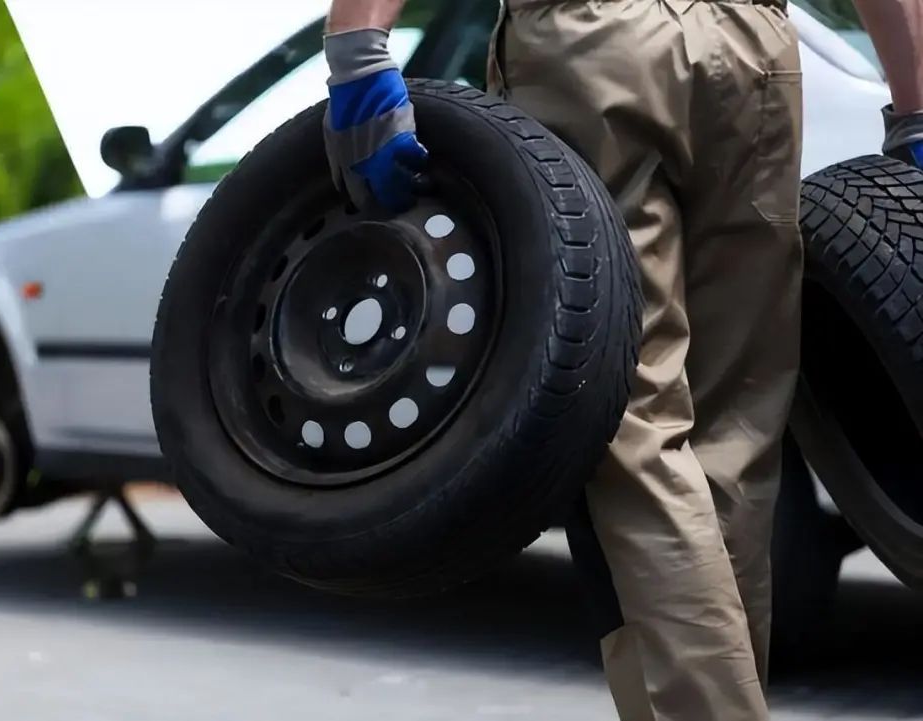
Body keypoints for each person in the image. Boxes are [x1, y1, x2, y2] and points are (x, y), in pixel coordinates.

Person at [322, 0, 923, 718]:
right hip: (752, 49)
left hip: (597, 42)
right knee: (736, 425)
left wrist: (357, 46)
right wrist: (916, 104)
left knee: (628, 415)